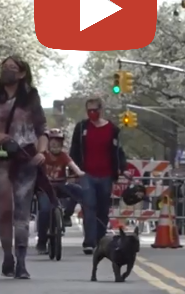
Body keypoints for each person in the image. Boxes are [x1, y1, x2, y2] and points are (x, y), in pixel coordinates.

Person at [0, 56, 48, 279]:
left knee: (22, 213)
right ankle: (8, 255)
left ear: (22, 73)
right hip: (0, 158)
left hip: (25, 159)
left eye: (13, 68)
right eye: (5, 67)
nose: (7, 71)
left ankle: (22, 262)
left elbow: (42, 129)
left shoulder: (31, 99)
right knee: (4, 210)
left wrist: (42, 152)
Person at [69, 96, 127, 254]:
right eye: (89, 110)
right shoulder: (81, 128)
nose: (92, 113)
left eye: (95, 110)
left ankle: (101, 240)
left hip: (106, 174)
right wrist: (72, 171)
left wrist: (123, 168)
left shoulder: (112, 129)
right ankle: (89, 242)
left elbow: (118, 151)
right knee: (89, 206)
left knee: (103, 208)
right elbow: (74, 150)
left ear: (101, 110)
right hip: (86, 173)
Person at [35, 128, 85, 254]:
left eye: (58, 142)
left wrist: (79, 173)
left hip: (60, 186)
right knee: (45, 210)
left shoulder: (64, 156)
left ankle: (67, 215)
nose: (55, 144)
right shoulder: (43, 156)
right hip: (45, 189)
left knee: (78, 192)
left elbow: (73, 166)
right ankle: (41, 242)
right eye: (52, 142)